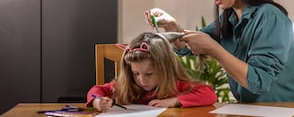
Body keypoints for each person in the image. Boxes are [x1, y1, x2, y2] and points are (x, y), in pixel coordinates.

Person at [145, 0, 294, 102]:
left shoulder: (270, 17)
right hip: (249, 110)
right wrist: (171, 26)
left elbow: (259, 81)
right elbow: (188, 47)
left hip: (281, 111)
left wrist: (214, 49)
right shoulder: (230, 18)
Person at [86, 32, 217, 111]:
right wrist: (97, 101)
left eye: (149, 74)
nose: (142, 81)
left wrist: (174, 101)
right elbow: (95, 91)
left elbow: (209, 94)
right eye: (135, 73)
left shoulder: (174, 85)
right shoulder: (126, 86)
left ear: (165, 69)